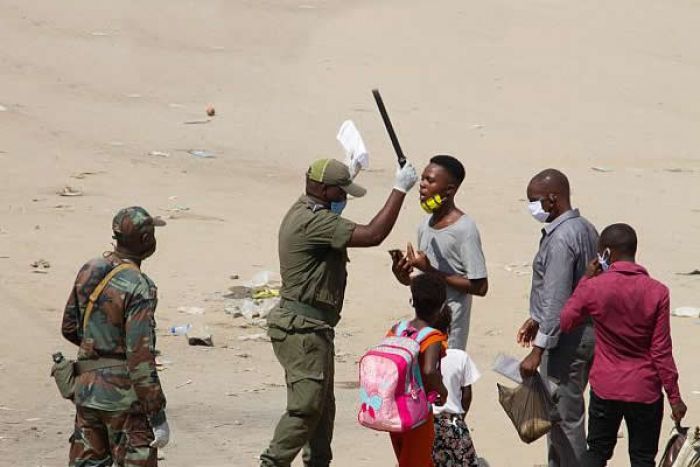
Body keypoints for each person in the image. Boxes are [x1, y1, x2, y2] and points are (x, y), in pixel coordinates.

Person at [260, 158, 419, 467]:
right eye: (340, 192)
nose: (344, 199)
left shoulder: (308, 209)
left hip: (313, 328)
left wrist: (349, 171)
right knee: (306, 409)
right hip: (302, 329)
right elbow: (373, 234)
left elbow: (332, 203)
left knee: (322, 410)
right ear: (321, 189)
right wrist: (399, 189)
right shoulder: (312, 222)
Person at [560, 223, 686, 467]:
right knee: (642, 458)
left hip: (606, 386)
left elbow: (566, 321)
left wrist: (586, 279)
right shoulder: (658, 292)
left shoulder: (594, 287)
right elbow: (661, 351)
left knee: (596, 451)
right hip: (645, 389)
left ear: (606, 253)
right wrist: (675, 397)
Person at [62, 206, 169, 466]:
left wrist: (100, 349)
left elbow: (69, 327)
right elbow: (140, 356)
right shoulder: (140, 285)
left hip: (86, 391)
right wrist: (156, 413)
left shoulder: (90, 268)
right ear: (145, 240)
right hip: (123, 401)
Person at [517, 169, 598, 466]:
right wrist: (536, 317)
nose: (532, 208)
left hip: (567, 340)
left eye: (535, 201)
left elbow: (557, 297)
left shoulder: (562, 238)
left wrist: (538, 350)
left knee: (565, 420)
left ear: (553, 198)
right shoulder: (586, 228)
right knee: (561, 415)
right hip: (586, 334)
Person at [392, 155, 488, 350]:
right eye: (422, 179)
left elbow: (480, 287)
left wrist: (430, 270)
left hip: (450, 332)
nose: (422, 185)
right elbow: (426, 282)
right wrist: (404, 276)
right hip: (424, 329)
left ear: (450, 189)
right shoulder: (424, 226)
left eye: (431, 180)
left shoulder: (464, 229)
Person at [387, 273, 449, 467]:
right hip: (417, 412)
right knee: (417, 461)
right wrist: (442, 391)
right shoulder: (432, 337)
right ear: (441, 308)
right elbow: (430, 370)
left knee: (405, 459)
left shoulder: (397, 329)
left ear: (412, 301)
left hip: (393, 408)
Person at [431, 307, 481, 467]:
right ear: (449, 330)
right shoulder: (460, 357)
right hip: (454, 422)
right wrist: (460, 416)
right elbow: (467, 394)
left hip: (426, 424)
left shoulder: (419, 357)